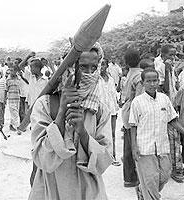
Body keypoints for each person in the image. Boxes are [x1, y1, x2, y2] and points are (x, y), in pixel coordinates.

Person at [28, 46, 113, 200]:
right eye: (82, 67)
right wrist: (61, 114)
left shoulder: (99, 110)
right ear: (68, 68)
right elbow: (42, 159)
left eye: (93, 68)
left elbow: (104, 161)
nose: (88, 73)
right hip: (51, 189)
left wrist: (82, 132)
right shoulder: (45, 104)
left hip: (88, 191)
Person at [129, 68, 184, 200]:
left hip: (162, 146)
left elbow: (172, 120)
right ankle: (149, 194)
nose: (152, 84)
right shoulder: (137, 102)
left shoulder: (164, 99)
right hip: (145, 148)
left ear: (158, 81)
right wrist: (134, 147)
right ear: (142, 83)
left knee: (165, 175)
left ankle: (143, 190)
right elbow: (133, 126)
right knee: (150, 179)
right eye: (149, 81)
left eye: (155, 80)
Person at [155, 44, 184, 183]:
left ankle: (174, 167)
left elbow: (174, 87)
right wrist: (167, 70)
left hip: (172, 104)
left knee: (173, 137)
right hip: (164, 106)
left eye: (174, 55)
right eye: (170, 55)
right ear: (162, 55)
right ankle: (173, 168)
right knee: (171, 137)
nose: (172, 58)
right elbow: (165, 88)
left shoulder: (170, 67)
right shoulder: (160, 66)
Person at [121, 49, 143, 188]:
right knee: (134, 145)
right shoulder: (139, 76)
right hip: (134, 112)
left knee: (128, 145)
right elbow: (139, 99)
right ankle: (134, 176)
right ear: (139, 59)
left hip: (126, 111)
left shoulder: (129, 74)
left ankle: (129, 178)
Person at [101, 60, 121, 166]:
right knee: (101, 133)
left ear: (106, 66)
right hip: (101, 111)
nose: (101, 67)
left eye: (103, 64)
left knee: (112, 133)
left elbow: (114, 96)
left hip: (112, 110)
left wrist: (116, 110)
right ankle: (102, 157)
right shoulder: (96, 80)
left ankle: (113, 156)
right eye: (100, 64)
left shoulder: (111, 80)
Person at [6, 66, 21, 133]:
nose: (12, 72)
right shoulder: (8, 80)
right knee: (15, 114)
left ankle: (11, 125)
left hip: (17, 98)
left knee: (15, 113)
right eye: (10, 70)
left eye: (13, 70)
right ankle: (18, 128)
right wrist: (4, 99)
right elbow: (5, 90)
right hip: (11, 99)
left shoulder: (18, 78)